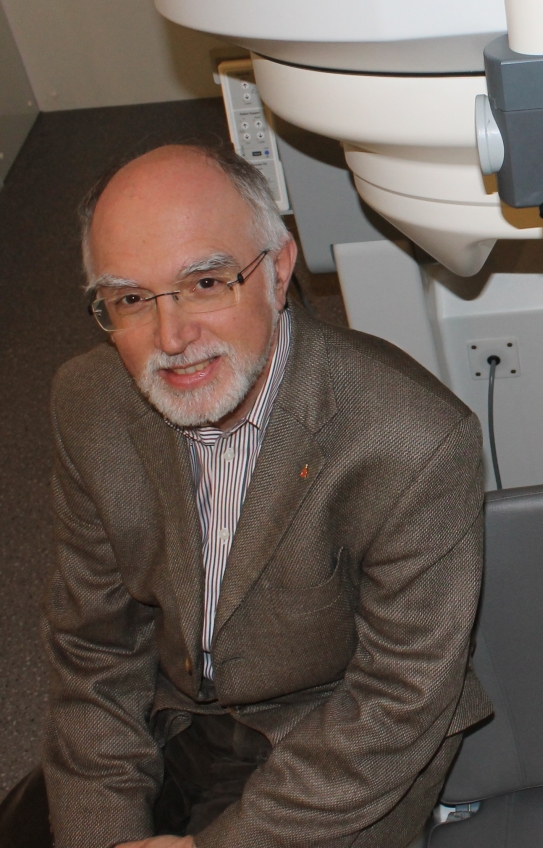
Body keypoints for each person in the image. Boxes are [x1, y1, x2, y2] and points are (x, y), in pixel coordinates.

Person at [0, 143, 492, 848]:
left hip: (336, 744)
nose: (172, 338)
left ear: (279, 267)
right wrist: (105, 832)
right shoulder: (88, 401)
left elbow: (398, 702)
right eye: (131, 299)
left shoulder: (415, 439)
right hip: (170, 717)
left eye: (205, 283)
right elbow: (94, 647)